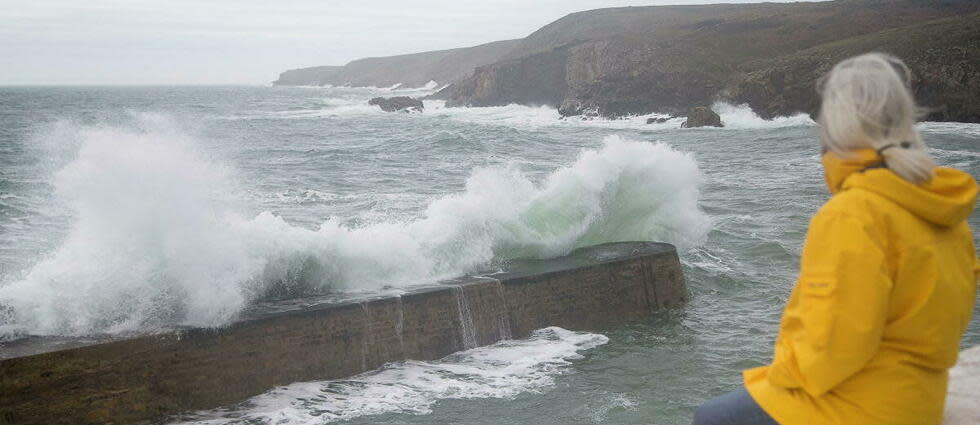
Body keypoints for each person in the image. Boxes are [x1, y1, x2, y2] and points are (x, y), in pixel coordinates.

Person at [694, 52, 978, 425]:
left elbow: (834, 344)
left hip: (860, 409)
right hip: (919, 401)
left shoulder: (855, 213)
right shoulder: (944, 210)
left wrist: (779, 378)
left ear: (835, 123)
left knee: (716, 416)